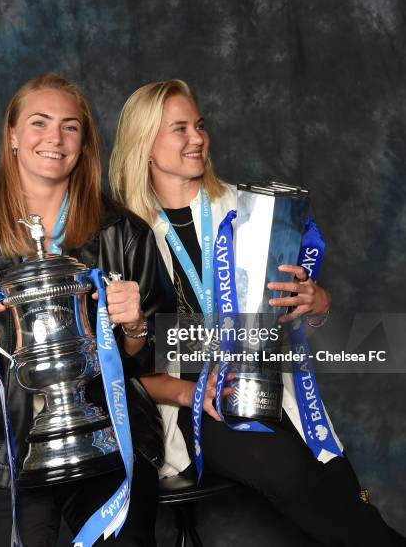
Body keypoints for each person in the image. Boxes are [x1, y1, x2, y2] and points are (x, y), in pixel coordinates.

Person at [109, 79, 406, 546]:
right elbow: (113, 362)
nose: (198, 138)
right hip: (186, 399)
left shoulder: (247, 210)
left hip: (265, 377)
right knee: (291, 473)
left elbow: (298, 316)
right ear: (144, 144)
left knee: (338, 482)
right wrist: (188, 390)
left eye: (200, 126)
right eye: (179, 129)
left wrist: (318, 304)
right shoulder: (120, 233)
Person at [0, 74, 175, 547]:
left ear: (84, 142)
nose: (54, 138)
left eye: (70, 126)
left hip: (110, 444)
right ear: (12, 135)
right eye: (39, 123)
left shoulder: (125, 232)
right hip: (10, 453)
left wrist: (137, 325)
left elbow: (160, 354)